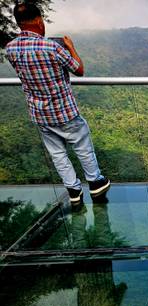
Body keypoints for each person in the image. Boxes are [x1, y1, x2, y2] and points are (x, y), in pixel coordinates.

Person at [5, 2, 110, 205]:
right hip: (64, 112)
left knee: (58, 155)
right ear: (37, 20)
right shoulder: (51, 47)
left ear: (18, 23)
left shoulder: (10, 49)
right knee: (82, 147)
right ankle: (95, 183)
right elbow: (78, 69)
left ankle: (73, 191)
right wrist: (71, 48)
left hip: (40, 114)